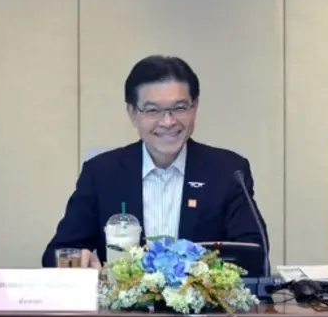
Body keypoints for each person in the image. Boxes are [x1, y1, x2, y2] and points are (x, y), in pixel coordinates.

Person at [42, 55, 269, 268]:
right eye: (152, 110)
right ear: (132, 113)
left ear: (195, 107)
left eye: (179, 108)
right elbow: (56, 253)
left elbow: (254, 254)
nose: (168, 122)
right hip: (122, 299)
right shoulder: (102, 173)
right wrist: (78, 260)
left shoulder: (228, 171)